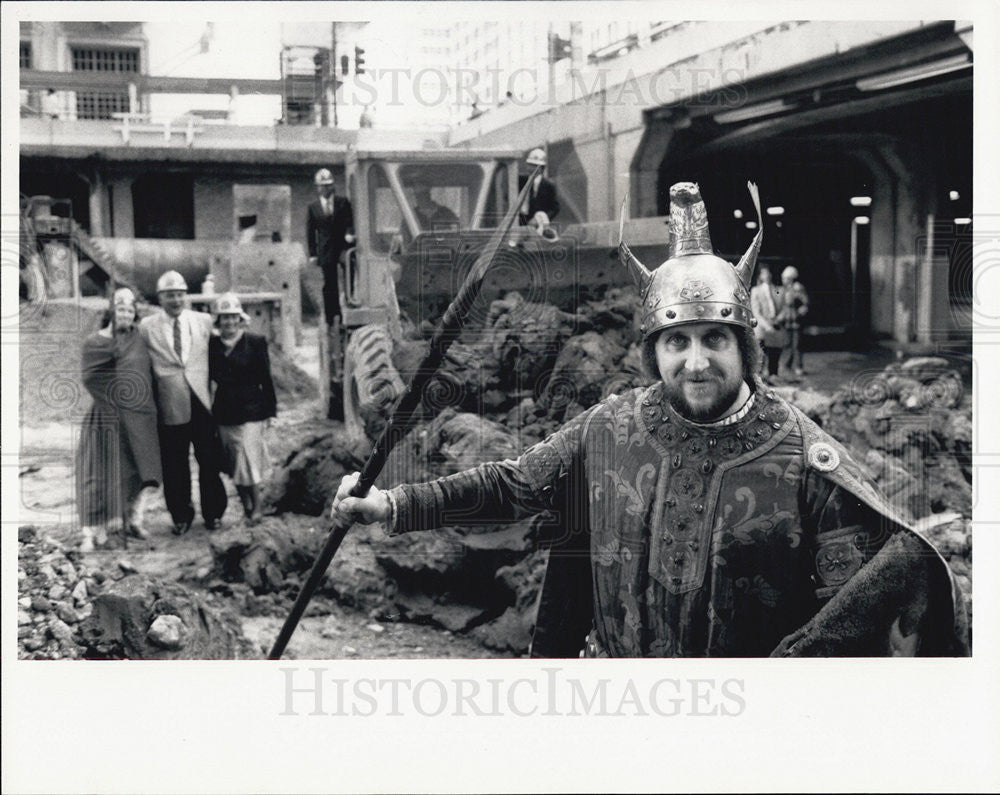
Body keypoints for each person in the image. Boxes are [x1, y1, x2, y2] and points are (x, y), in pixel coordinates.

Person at [332, 181, 969, 658]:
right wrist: (390, 505)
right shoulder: (607, 430)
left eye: (714, 340)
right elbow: (512, 485)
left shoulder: (803, 458)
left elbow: (858, 614)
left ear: (744, 347)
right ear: (654, 351)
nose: (696, 362)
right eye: (677, 341)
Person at [140, 270, 227, 535]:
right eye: (169, 296)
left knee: (209, 461)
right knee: (175, 465)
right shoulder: (147, 327)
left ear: (185, 296)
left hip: (202, 402)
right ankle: (181, 515)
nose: (176, 300)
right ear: (160, 298)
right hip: (169, 406)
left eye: (179, 295)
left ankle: (213, 513)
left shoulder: (203, 321)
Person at [77, 288, 162, 551]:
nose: (125, 313)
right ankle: (92, 531)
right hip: (106, 416)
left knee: (140, 470)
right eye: (120, 308)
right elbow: (91, 378)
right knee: (101, 473)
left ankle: (133, 519)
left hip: (139, 417)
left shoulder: (138, 337)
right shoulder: (95, 342)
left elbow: (145, 372)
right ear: (111, 311)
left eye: (130, 309)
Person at [208, 293, 277, 525]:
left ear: (240, 318)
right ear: (218, 321)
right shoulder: (212, 345)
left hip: (252, 410)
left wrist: (270, 412)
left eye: (233, 317)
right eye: (224, 318)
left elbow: (266, 379)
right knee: (232, 460)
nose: (229, 322)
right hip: (225, 411)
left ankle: (257, 505)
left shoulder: (255, 342)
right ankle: (245, 504)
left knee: (247, 457)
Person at [306, 168, 355, 327]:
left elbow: (350, 221)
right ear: (317, 187)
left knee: (349, 274)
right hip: (326, 251)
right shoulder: (313, 207)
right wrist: (313, 254)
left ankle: (350, 302)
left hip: (343, 247)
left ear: (333, 186)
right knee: (329, 283)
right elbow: (310, 232)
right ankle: (332, 315)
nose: (325, 189)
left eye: (328, 185)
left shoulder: (343, 202)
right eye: (322, 186)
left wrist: (349, 234)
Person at [749, 267, 783, 382]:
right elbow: (756, 311)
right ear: (760, 276)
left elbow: (782, 306)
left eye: (768, 273)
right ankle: (758, 378)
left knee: (775, 352)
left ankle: (773, 375)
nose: (767, 275)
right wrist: (766, 325)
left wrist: (778, 319)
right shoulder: (756, 290)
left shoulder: (777, 289)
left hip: (775, 324)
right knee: (761, 352)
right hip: (762, 326)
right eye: (764, 273)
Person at [776, 265, 809, 377]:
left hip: (795, 320)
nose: (783, 280)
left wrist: (799, 313)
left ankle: (798, 367)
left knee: (797, 344)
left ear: (790, 278)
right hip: (786, 319)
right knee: (787, 344)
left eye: (785, 278)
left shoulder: (797, 288)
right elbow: (779, 300)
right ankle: (787, 366)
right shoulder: (783, 289)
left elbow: (805, 303)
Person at [519, 147, 560, 235]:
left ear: (542, 168)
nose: (530, 168)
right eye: (529, 165)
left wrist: (540, 219)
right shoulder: (520, 181)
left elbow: (555, 208)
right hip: (520, 224)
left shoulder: (549, 185)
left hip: (538, 228)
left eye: (534, 166)